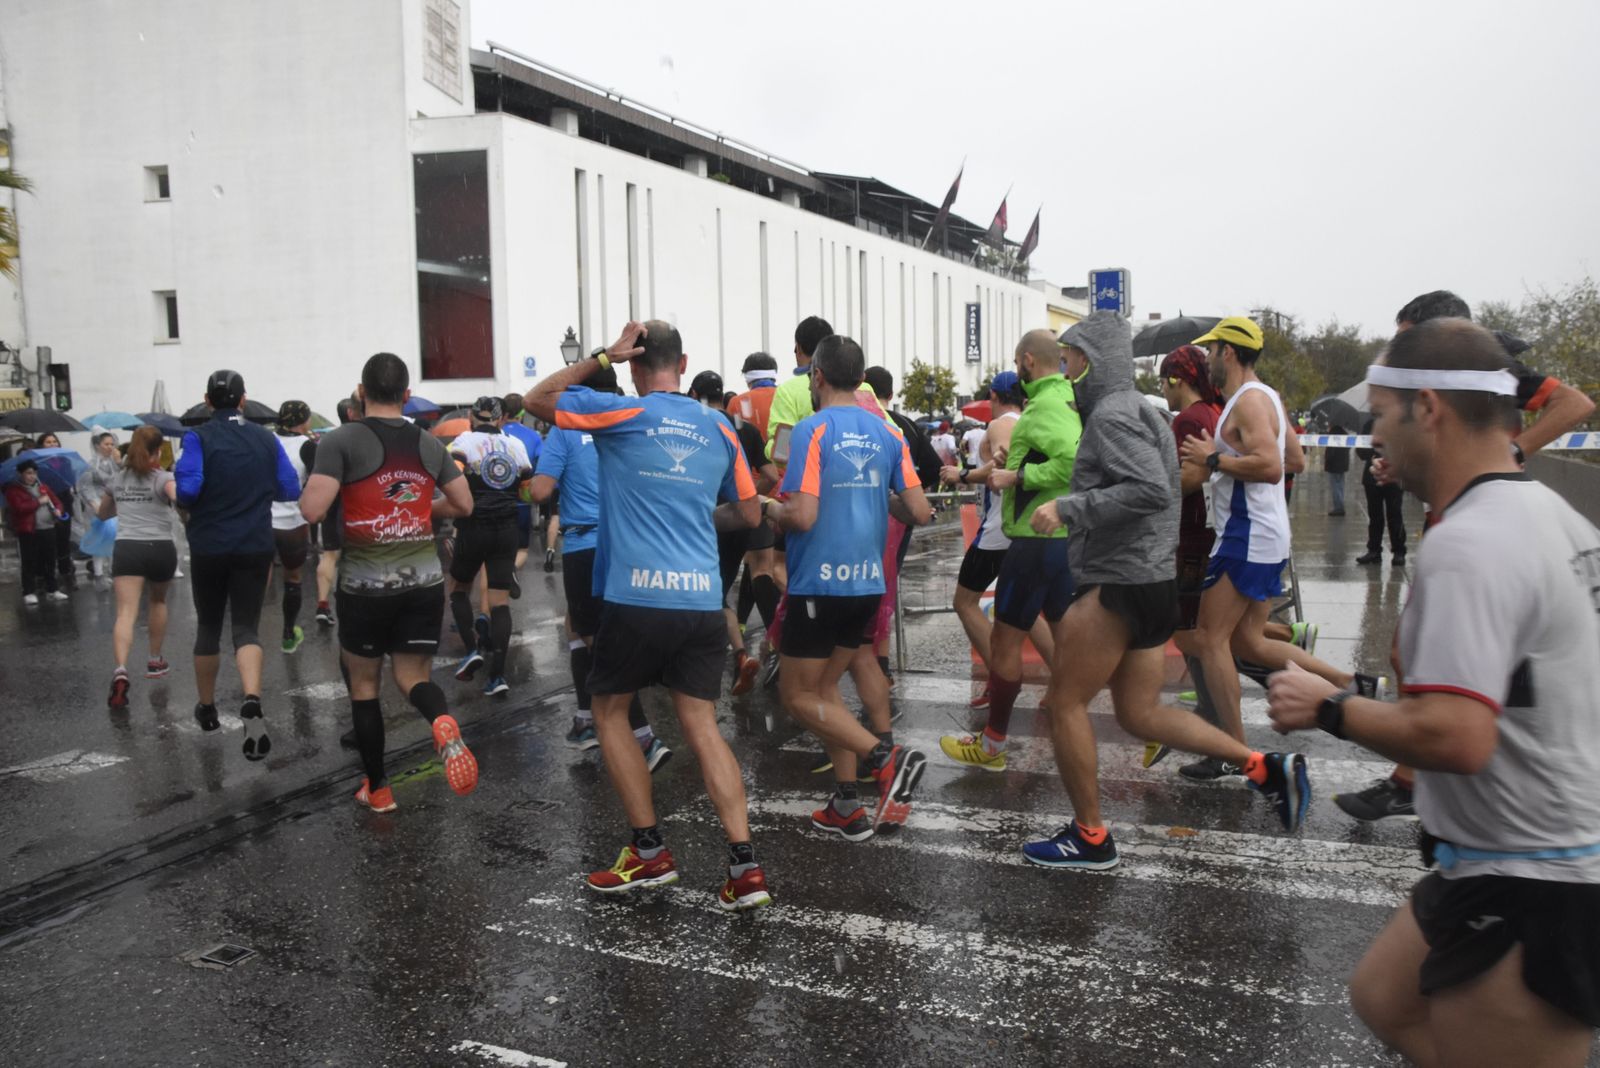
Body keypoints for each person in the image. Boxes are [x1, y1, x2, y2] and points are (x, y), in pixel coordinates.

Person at [1267, 317, 1600, 1064]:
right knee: (1384, 997)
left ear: (1430, 409)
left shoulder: (1471, 542)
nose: (1373, 437)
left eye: (1381, 416)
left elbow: (1456, 736)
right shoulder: (1551, 514)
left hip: (1531, 876)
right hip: (1506, 854)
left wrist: (1327, 707)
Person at [1020, 312, 1311, 869]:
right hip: (1149, 582)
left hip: (1121, 582)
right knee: (1140, 714)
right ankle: (1262, 767)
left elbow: (1150, 490)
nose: (1068, 369)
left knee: (1065, 703)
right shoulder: (1144, 412)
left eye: (1073, 357)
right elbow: (1169, 487)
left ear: (1093, 360)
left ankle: (1090, 837)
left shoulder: (1111, 415)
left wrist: (1066, 507)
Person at [525, 319, 771, 911]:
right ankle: (745, 867)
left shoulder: (619, 412)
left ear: (634, 367)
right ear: (682, 364)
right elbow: (747, 510)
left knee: (608, 710)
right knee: (702, 726)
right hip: (700, 603)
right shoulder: (719, 425)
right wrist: (692, 515)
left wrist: (598, 358)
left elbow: (536, 400)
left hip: (637, 599)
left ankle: (649, 851)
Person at [1340, 288, 1596, 823]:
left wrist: (1514, 452)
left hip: (1484, 523)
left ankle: (1422, 778)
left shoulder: (1489, 366)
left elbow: (1575, 403)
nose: (1401, 356)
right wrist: (1402, 465)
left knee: (1439, 666)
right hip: (1464, 515)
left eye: (1407, 341)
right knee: (1420, 659)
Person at [1177, 319, 1371, 777]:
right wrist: (1228, 460)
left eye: (1211, 351)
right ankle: (1348, 682)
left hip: (1248, 534)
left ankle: (1236, 754)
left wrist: (1213, 459)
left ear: (1227, 351)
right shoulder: (1265, 397)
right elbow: (1296, 459)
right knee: (1246, 641)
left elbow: (1269, 466)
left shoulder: (1247, 401)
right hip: (1264, 533)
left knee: (1208, 639)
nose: (1206, 359)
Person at [764, 334, 933, 839]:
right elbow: (921, 510)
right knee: (824, 691)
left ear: (816, 376)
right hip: (866, 585)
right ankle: (846, 805)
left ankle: (886, 760)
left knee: (796, 696)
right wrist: (878, 498)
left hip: (820, 581)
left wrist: (766, 506)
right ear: (860, 378)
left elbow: (803, 512)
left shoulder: (812, 430)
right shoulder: (887, 433)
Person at [299, 353, 478, 813]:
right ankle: (440, 719)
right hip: (422, 582)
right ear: (406, 394)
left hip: (365, 585)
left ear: (360, 393)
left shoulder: (339, 440)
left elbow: (311, 510)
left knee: (365, 686)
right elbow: (463, 504)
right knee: (412, 675)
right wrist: (419, 510)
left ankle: (378, 789)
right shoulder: (428, 444)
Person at [940, 328, 1081, 770]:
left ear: (1026, 361)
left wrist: (1016, 478)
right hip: (1055, 542)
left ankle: (993, 746)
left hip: (1035, 542)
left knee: (1005, 644)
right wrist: (1012, 466)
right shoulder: (1063, 400)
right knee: (1063, 637)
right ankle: (1074, 710)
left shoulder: (1045, 406)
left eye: (1018, 362)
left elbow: (1073, 460)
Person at [529, 363, 672, 770]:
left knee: (598, 642)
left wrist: (526, 488)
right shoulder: (635, 420)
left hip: (586, 543)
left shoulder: (567, 429)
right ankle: (585, 718)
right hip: (634, 539)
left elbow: (541, 489)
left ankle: (643, 735)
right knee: (578, 628)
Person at [175, 370, 301, 759]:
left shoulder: (196, 437)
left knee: (210, 624)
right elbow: (290, 488)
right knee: (246, 626)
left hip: (210, 544)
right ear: (243, 400)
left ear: (207, 401)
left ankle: (208, 708)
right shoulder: (266, 438)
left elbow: (188, 489)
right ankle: (251, 700)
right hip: (254, 544)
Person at [939, 371, 1055, 712]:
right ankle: (1062, 679)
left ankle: (1001, 681)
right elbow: (998, 466)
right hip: (1022, 529)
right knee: (1027, 611)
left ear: (993, 395)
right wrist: (964, 475)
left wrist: (965, 474)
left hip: (998, 532)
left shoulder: (1001, 423)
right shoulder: (1030, 419)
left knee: (964, 603)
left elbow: (1005, 463)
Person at [686, 369, 772, 696]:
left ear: (694, 395)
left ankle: (739, 654)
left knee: (715, 593)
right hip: (750, 515)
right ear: (724, 396)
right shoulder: (744, 428)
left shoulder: (699, 428)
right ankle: (779, 645)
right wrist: (749, 497)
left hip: (717, 520)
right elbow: (770, 475)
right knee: (765, 574)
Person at [446, 396, 534, 698]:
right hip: (507, 528)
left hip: (474, 525)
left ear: (472, 415)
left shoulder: (464, 441)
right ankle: (497, 676)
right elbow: (526, 494)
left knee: (458, 588)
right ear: (500, 418)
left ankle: (472, 650)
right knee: (499, 603)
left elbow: (451, 476)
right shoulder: (516, 446)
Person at [98, 426, 178, 707]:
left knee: (126, 612)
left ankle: (120, 670)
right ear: (158, 451)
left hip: (128, 547)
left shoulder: (117, 479)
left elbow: (102, 512)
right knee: (157, 601)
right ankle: (155, 661)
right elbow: (180, 498)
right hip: (160, 547)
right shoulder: (163, 477)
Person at [311, 396, 362, 627]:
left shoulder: (328, 440)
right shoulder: (365, 439)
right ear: (352, 413)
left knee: (330, 555)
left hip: (332, 502)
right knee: (358, 556)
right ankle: (353, 604)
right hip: (356, 504)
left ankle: (323, 604)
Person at [270, 401, 316, 654]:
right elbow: (317, 480)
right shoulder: (307, 446)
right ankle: (288, 633)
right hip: (293, 522)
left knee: (259, 581)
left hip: (263, 520)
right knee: (293, 577)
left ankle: (249, 636)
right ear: (304, 420)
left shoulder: (267, 440)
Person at [765, 316, 834, 469]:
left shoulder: (788, 391)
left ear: (799, 348)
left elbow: (781, 453)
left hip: (813, 485)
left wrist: (768, 447)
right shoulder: (861, 387)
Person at [5, 458, 68, 604]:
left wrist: (58, 510)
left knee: (50, 560)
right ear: (20, 474)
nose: (32, 476)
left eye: (34, 473)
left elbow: (56, 501)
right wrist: (38, 502)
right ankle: (28, 591)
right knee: (29, 561)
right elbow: (19, 508)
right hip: (29, 530)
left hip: (48, 527)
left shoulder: (43, 487)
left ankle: (52, 589)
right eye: (28, 473)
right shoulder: (14, 490)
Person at [499, 392, 543, 593]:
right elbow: (541, 464)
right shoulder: (533, 436)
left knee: (494, 554)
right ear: (523, 412)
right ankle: (511, 570)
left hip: (495, 502)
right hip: (522, 501)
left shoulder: (493, 435)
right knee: (522, 549)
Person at [35, 432, 78, 588]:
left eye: (55, 441)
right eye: (48, 442)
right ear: (41, 445)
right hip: (46, 503)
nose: (52, 444)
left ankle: (65, 571)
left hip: (64, 501)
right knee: (47, 541)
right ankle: (45, 574)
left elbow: (70, 479)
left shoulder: (64, 461)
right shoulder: (38, 463)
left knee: (63, 540)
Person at [78, 431, 122, 581]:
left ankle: (113, 569)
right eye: (106, 444)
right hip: (97, 504)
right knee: (100, 538)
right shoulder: (91, 464)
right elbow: (86, 486)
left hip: (115, 504)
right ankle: (99, 572)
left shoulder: (114, 463)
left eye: (112, 444)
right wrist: (95, 504)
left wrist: (118, 462)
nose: (110, 447)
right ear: (98, 445)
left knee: (115, 538)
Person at [1324, 423, 1351, 516]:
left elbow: (1330, 452)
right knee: (1340, 486)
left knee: (1335, 487)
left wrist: (1327, 459)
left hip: (1334, 465)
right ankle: (1340, 505)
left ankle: (1338, 508)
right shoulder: (1345, 434)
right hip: (1342, 465)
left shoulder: (1333, 434)